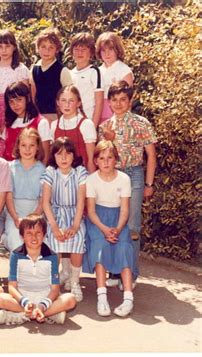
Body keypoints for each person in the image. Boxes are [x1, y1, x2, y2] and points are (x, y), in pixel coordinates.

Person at [98, 81, 157, 289]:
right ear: (109, 102)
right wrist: (110, 140)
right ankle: (115, 270)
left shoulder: (141, 123)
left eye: (123, 99)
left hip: (134, 174)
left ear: (130, 101)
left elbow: (151, 155)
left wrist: (149, 183)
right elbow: (103, 155)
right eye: (114, 100)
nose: (119, 103)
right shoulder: (105, 127)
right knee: (114, 222)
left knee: (131, 226)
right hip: (111, 176)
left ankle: (130, 273)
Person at [84, 140, 136, 317]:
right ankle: (102, 297)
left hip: (118, 221)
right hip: (98, 221)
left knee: (124, 247)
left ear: (116, 160)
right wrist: (105, 229)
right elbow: (91, 211)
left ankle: (128, 298)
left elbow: (125, 209)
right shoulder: (91, 180)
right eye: (102, 158)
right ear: (96, 161)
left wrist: (118, 229)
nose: (106, 162)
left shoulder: (124, 179)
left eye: (110, 158)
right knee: (100, 247)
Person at [0, 214, 76, 325]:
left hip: (45, 297)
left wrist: (42, 306)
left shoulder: (52, 256)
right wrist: (25, 302)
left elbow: (55, 289)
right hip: (22, 298)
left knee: (71, 299)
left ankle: (21, 315)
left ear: (44, 235)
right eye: (29, 233)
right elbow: (12, 287)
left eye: (38, 233)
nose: (34, 237)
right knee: (0, 299)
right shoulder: (15, 255)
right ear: (22, 236)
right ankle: (49, 314)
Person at [41, 137, 87, 302]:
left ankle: (74, 282)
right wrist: (54, 226)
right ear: (54, 156)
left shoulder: (80, 171)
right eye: (59, 154)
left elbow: (81, 200)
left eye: (68, 154)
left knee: (78, 236)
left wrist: (75, 225)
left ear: (74, 156)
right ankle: (54, 284)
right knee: (54, 240)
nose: (64, 158)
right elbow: (45, 202)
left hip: (75, 214)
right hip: (56, 214)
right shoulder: (50, 172)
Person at [2, 128, 46, 252]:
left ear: (37, 147)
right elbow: (8, 197)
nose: (27, 149)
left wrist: (34, 216)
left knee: (37, 244)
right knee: (17, 243)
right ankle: (6, 238)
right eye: (24, 145)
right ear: (18, 147)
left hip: (35, 212)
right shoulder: (10, 167)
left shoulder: (42, 170)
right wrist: (16, 218)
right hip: (15, 212)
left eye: (31, 145)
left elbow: (43, 199)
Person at [48, 85, 97, 173]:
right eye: (63, 100)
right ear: (58, 102)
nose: (67, 105)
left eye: (71, 101)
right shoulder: (54, 125)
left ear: (78, 103)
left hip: (81, 175)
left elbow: (91, 159)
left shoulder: (86, 124)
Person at [0, 29, 30, 136]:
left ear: (14, 47)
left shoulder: (21, 69)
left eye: (7, 46)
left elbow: (26, 95)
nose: (4, 50)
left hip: (15, 109)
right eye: (0, 46)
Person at [30, 27, 73, 123]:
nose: (47, 51)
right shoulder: (34, 69)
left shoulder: (62, 70)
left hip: (58, 116)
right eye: (43, 47)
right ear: (37, 48)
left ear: (57, 50)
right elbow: (33, 95)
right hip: (39, 116)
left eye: (51, 47)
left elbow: (70, 96)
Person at [1, 81, 47, 163]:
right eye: (11, 101)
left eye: (19, 100)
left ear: (28, 98)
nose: (15, 105)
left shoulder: (40, 123)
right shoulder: (9, 124)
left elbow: (45, 157)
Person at [96, 32, 134, 123]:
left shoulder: (124, 70)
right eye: (103, 50)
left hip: (118, 115)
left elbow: (129, 99)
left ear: (117, 50)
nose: (107, 53)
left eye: (110, 49)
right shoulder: (97, 71)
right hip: (99, 114)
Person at [69, 32, 104, 127]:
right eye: (76, 49)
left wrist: (93, 126)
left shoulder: (94, 72)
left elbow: (99, 102)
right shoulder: (70, 73)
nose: (79, 53)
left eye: (83, 49)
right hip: (72, 122)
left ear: (91, 52)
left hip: (88, 122)